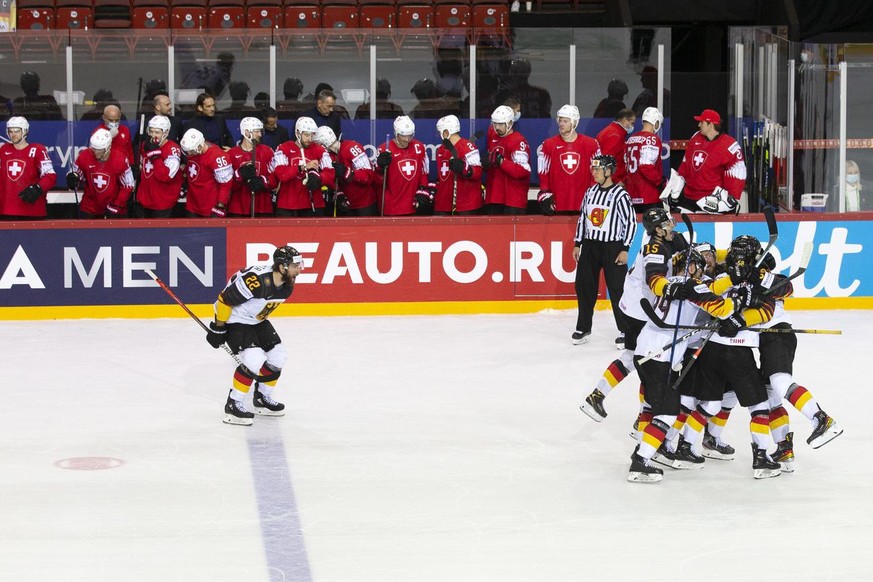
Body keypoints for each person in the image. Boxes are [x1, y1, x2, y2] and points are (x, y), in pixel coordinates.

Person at [626, 247, 773, 482]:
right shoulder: (693, 286)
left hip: (644, 350)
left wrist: (732, 281)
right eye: (699, 267)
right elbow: (722, 309)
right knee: (667, 413)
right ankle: (640, 462)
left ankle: (644, 450)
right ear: (694, 267)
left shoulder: (669, 282)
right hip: (659, 357)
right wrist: (741, 301)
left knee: (661, 407)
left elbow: (710, 289)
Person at [727, 235, 843, 470]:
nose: (735, 261)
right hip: (763, 339)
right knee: (771, 397)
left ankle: (822, 419)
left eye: (739, 257)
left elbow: (786, 287)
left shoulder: (766, 276)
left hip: (778, 335)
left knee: (780, 382)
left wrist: (758, 276)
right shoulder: (735, 275)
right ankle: (784, 448)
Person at [580, 206, 690, 422]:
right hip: (640, 312)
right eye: (667, 224)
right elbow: (654, 277)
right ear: (657, 230)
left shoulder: (662, 240)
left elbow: (680, 244)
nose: (672, 226)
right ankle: (643, 416)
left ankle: (599, 396)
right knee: (647, 363)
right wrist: (668, 288)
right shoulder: (655, 249)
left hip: (633, 307)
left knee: (633, 357)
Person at [206, 245, 303, 425]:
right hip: (234, 319)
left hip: (256, 321)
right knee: (253, 360)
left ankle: (261, 398)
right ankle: (233, 404)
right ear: (282, 267)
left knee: (278, 357)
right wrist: (218, 328)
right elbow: (224, 300)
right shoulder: (255, 281)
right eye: (295, 265)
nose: (300, 269)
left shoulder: (287, 284)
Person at [571, 155, 636, 346]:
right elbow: (583, 218)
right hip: (590, 246)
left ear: (608, 171)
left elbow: (630, 222)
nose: (594, 172)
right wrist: (578, 243)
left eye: (598, 169)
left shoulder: (620, 195)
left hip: (613, 247)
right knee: (584, 287)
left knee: (618, 290)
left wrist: (625, 248)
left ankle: (626, 331)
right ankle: (583, 328)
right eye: (593, 169)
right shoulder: (590, 192)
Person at [662, 109, 746, 214]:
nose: (698, 125)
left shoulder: (729, 145)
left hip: (711, 202)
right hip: (689, 198)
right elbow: (686, 164)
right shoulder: (696, 137)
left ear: (710, 125)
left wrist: (729, 199)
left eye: (702, 122)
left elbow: (738, 172)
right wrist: (676, 189)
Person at [537, 104, 599, 215]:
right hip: (557, 204)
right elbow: (543, 173)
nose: (561, 124)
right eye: (560, 120)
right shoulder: (548, 145)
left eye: (565, 121)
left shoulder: (591, 144)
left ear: (574, 122)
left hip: (583, 204)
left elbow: (597, 171)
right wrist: (545, 194)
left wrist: (593, 196)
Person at [66, 128, 135, 219]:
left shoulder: (120, 159)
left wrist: (117, 205)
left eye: (100, 150)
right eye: (94, 149)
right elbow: (76, 174)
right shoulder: (84, 156)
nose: (96, 152)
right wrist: (73, 178)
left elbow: (128, 185)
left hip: (113, 207)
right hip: (89, 208)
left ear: (108, 147)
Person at [270, 116, 333, 217]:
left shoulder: (320, 149)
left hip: (314, 204)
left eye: (312, 135)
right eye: (306, 135)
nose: (310, 139)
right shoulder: (283, 148)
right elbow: (282, 175)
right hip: (288, 205)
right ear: (298, 133)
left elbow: (330, 174)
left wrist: (319, 177)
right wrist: (302, 167)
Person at [372, 115, 430, 216]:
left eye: (410, 135)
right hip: (391, 206)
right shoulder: (384, 149)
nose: (407, 139)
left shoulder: (419, 147)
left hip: (413, 204)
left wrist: (423, 191)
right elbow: (377, 180)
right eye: (403, 136)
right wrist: (379, 167)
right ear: (396, 133)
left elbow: (424, 172)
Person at [313, 125, 378, 216]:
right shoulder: (328, 156)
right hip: (346, 205)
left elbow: (368, 176)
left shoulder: (352, 148)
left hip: (364, 205)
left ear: (323, 144)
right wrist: (338, 193)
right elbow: (331, 180)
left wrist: (347, 172)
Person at [0, 116, 56, 220]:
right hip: (6, 210)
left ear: (25, 131)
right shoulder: (3, 150)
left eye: (17, 131)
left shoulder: (38, 150)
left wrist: (38, 188)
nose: (13, 135)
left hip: (32, 211)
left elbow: (50, 176)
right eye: (10, 131)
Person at [482, 105, 531, 215]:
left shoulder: (518, 141)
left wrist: (501, 161)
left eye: (501, 124)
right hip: (493, 198)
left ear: (509, 123)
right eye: (495, 123)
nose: (497, 127)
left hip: (513, 200)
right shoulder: (492, 135)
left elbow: (523, 170)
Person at [225, 117, 277, 217]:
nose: (260, 135)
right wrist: (238, 176)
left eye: (260, 131)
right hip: (238, 209)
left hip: (262, 207)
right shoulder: (231, 154)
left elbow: (275, 178)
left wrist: (264, 181)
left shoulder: (267, 151)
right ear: (246, 132)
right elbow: (226, 184)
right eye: (256, 131)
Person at [135, 115, 184, 218]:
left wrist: (155, 156)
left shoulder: (173, 150)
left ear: (165, 133)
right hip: (144, 200)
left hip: (162, 203)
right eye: (151, 131)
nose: (153, 135)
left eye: (157, 132)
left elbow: (165, 176)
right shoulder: (145, 145)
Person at [433, 115, 483, 216]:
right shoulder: (441, 150)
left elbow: (478, 172)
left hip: (466, 205)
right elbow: (442, 177)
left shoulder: (468, 147)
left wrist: (464, 168)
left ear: (446, 132)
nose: (439, 135)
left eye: (440, 132)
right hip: (443, 205)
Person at [178, 128, 233, 218]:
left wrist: (220, 206)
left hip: (210, 207)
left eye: (191, 151)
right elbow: (191, 170)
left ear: (200, 146)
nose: (189, 153)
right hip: (192, 204)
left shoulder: (217, 156)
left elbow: (225, 184)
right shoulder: (192, 150)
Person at [624, 107, 666, 213]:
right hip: (649, 196)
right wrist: (661, 182)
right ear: (655, 122)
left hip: (632, 194)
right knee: (658, 227)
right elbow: (646, 166)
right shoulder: (652, 139)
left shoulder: (631, 139)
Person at [595, 108, 636, 185]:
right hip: (611, 183)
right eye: (632, 123)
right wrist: (616, 181)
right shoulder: (615, 135)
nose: (633, 126)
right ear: (624, 120)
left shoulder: (611, 131)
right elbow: (605, 161)